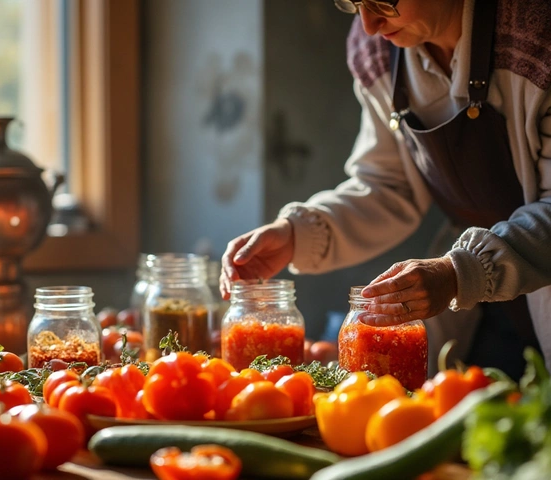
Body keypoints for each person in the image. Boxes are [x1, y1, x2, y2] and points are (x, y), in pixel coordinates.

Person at [220, 0, 551, 380]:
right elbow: (388, 184)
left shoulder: (539, 35)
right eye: (352, 2)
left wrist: (459, 272)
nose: (369, 24)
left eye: (382, 1)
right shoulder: (377, 51)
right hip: (484, 315)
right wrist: (297, 234)